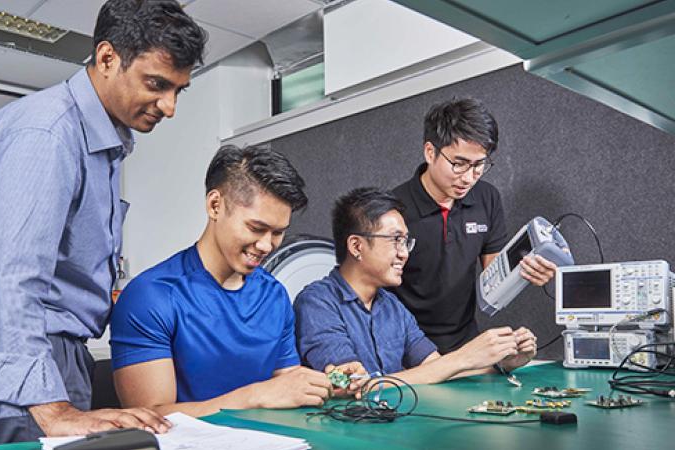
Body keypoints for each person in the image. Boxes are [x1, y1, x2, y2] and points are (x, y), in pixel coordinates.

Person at [0, 1, 207, 446]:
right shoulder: (46, 133)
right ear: (106, 58)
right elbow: (6, 276)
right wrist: (50, 407)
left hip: (59, 355)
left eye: (179, 90)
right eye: (157, 84)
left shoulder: (104, 141)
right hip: (20, 359)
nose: (169, 106)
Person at [110, 145, 334, 418]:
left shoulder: (274, 295)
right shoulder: (151, 296)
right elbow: (148, 419)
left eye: (277, 233)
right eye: (256, 228)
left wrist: (329, 385)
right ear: (215, 205)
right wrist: (254, 397)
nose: (266, 245)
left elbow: (287, 385)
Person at [294, 187, 537, 385]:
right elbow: (354, 385)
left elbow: (435, 368)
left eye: (405, 242)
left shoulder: (393, 306)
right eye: (395, 240)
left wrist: (499, 364)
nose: (404, 253)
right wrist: (464, 356)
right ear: (357, 246)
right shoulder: (317, 303)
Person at [391, 98, 557, 354]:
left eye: (479, 165)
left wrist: (526, 272)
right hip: (405, 346)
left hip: (465, 344)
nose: (468, 178)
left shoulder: (487, 198)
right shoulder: (393, 208)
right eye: (458, 164)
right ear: (430, 152)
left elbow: (494, 277)